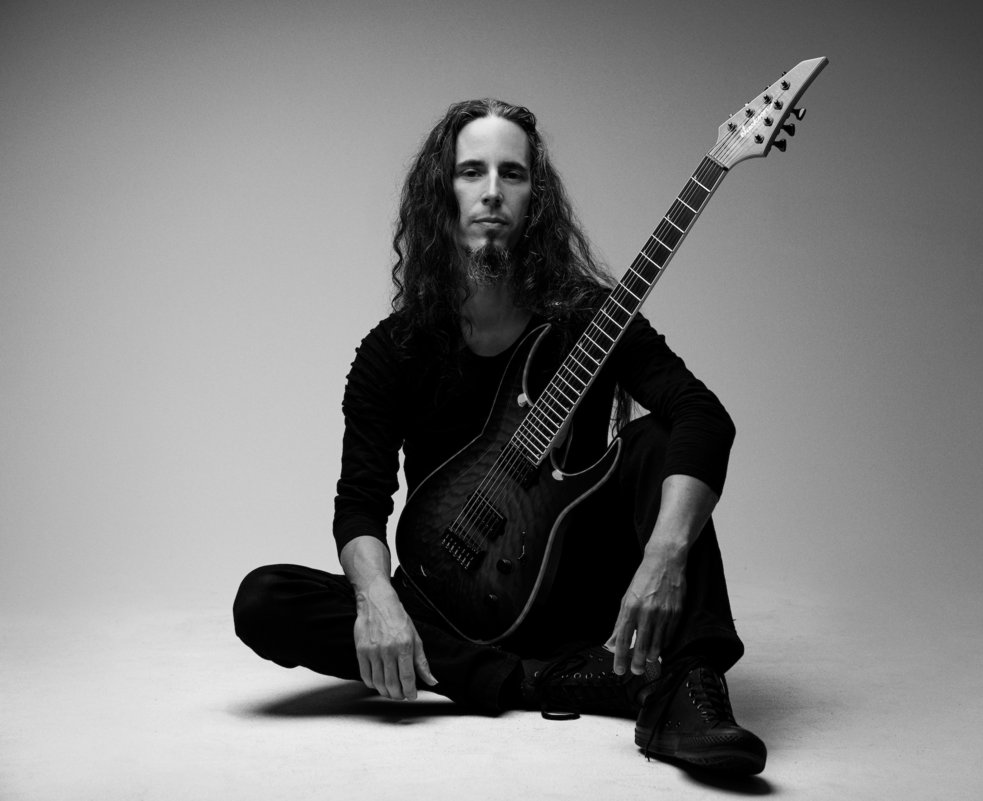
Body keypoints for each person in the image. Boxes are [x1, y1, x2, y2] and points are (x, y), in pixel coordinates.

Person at [233, 98, 767, 775]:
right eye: (471, 172)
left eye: (511, 173)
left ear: (535, 197)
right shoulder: (393, 351)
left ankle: (690, 688)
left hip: (576, 596)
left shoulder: (592, 317)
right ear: (441, 193)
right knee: (266, 599)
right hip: (442, 600)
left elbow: (702, 414)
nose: (492, 191)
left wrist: (664, 557)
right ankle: (546, 681)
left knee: (662, 439)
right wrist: (377, 601)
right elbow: (360, 502)